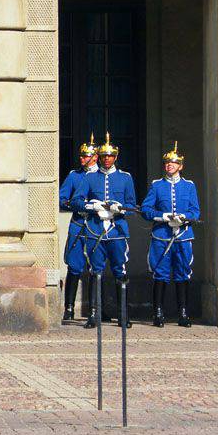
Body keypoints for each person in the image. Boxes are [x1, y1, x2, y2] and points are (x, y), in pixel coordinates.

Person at [71, 132, 136, 329]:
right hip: (95, 230)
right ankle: (94, 314)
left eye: (110, 156)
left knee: (120, 271)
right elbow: (76, 201)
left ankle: (123, 315)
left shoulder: (125, 178)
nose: (107, 159)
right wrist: (92, 206)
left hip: (117, 231)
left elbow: (132, 206)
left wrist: (119, 208)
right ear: (99, 157)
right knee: (95, 271)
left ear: (116, 157)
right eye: (104, 156)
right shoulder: (90, 178)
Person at [141, 142, 200, 327]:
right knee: (160, 273)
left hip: (182, 236)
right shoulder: (157, 186)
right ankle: (158, 313)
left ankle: (183, 313)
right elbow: (146, 210)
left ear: (180, 166)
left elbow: (195, 212)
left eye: (173, 163)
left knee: (183, 273)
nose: (169, 166)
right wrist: (162, 216)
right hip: (162, 235)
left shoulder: (189, 186)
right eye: (167, 163)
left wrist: (184, 217)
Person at [59, 134, 98, 322]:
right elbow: (62, 198)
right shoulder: (74, 176)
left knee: (95, 268)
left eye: (86, 156)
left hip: (96, 225)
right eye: (81, 156)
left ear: (95, 157)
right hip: (78, 224)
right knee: (74, 266)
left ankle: (95, 309)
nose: (82, 159)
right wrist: (73, 205)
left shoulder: (101, 177)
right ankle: (69, 309)